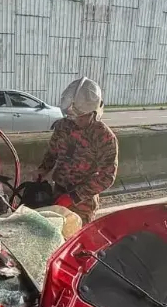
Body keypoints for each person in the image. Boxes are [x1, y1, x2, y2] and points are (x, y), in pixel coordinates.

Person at [36, 77, 118, 223]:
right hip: (58, 193)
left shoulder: (104, 137)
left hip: (83, 203)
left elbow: (107, 176)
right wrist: (42, 171)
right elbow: (52, 152)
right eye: (72, 116)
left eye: (81, 117)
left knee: (78, 241)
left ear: (94, 112)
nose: (75, 121)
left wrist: (73, 197)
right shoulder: (63, 126)